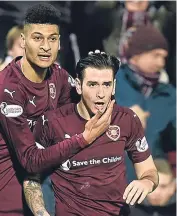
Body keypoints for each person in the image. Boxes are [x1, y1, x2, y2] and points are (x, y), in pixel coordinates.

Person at [0, 4, 113, 216]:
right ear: (23, 41)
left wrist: (98, 79)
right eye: (38, 38)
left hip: (25, 202)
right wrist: (84, 139)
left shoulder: (58, 76)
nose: (46, 47)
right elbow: (30, 160)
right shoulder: (6, 91)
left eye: (52, 39)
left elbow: (85, 108)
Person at [24, 53, 159, 216]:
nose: (101, 93)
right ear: (79, 86)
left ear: (114, 86)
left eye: (106, 84)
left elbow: (149, 170)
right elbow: (31, 175)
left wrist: (147, 182)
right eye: (93, 84)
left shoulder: (127, 119)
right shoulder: (52, 122)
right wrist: (40, 212)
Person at [115, 24, 176, 182]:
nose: (161, 63)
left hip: (147, 185)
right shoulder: (110, 82)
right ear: (137, 54)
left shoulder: (169, 94)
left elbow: (170, 143)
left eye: (164, 57)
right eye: (155, 55)